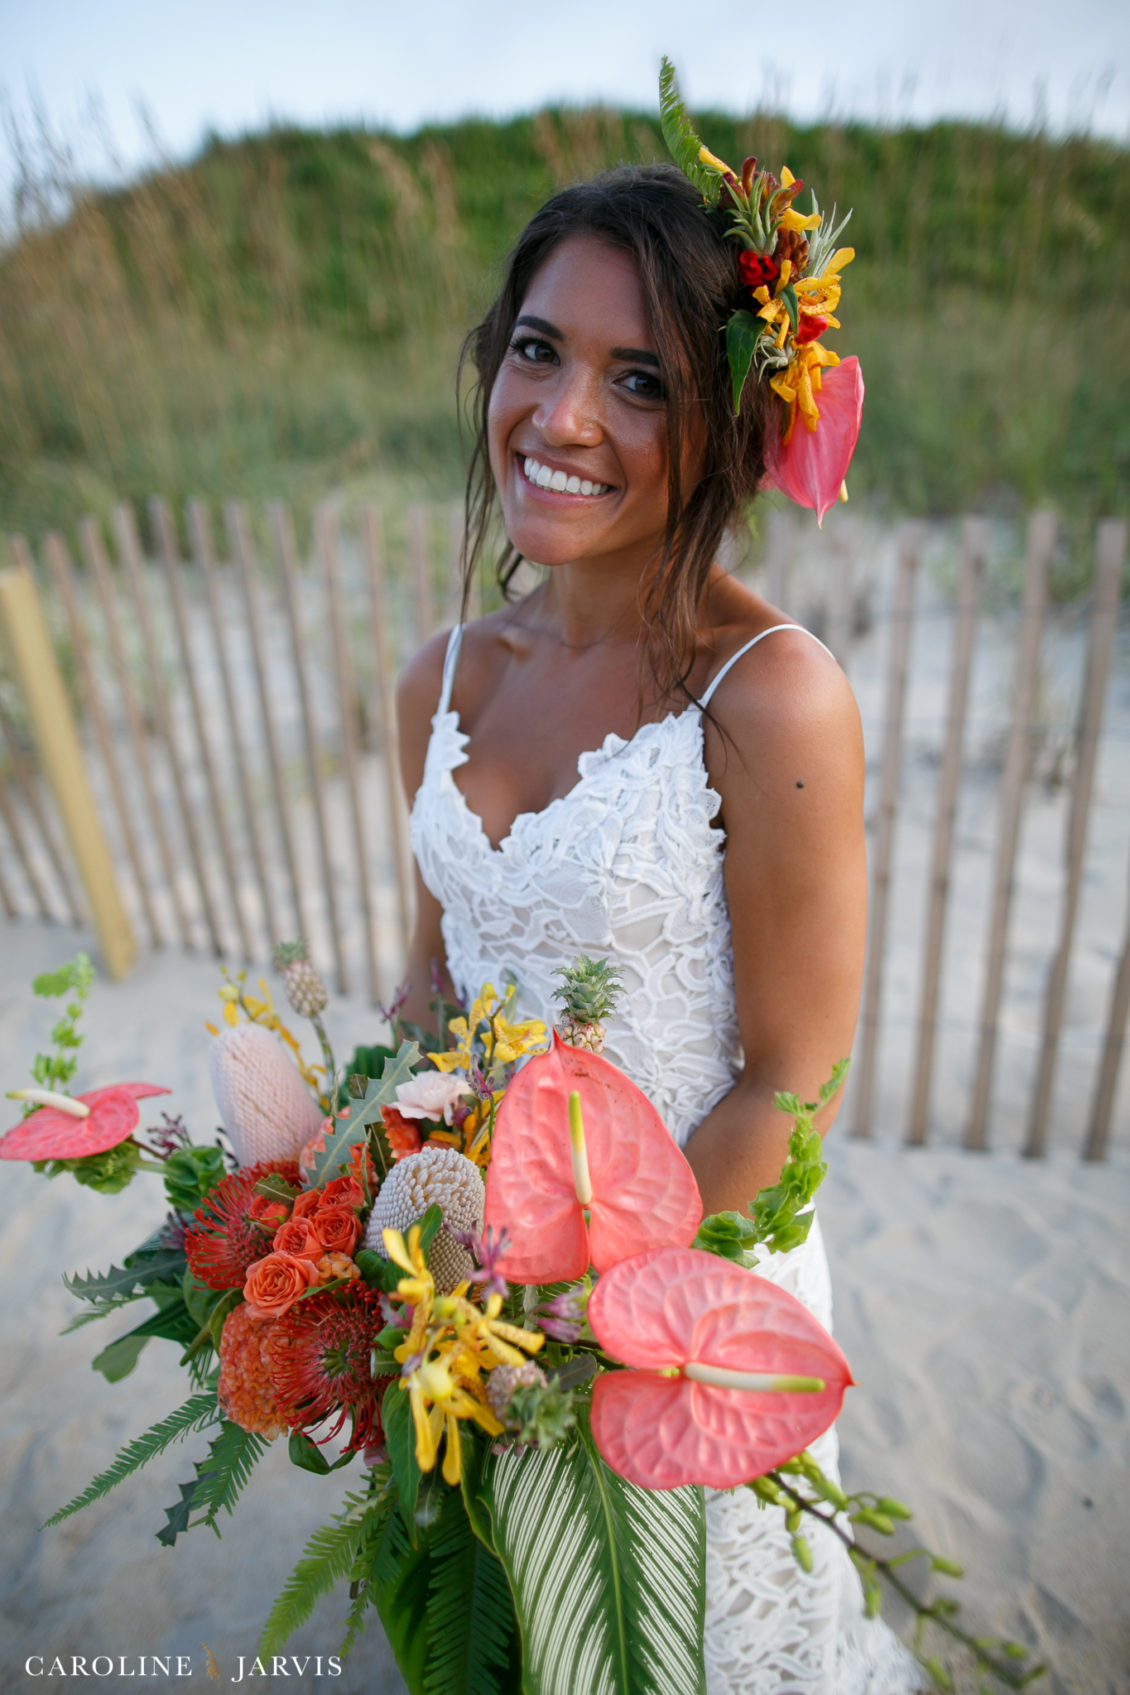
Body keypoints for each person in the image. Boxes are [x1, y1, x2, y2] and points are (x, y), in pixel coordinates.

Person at [396, 156, 920, 1692]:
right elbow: (431, 976)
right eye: (539, 349)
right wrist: (384, 1212)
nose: (561, 419)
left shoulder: (768, 694)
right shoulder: (436, 678)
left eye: (641, 382)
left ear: (729, 435)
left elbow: (792, 1079)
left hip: (688, 1293)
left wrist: (582, 1314)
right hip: (470, 1299)